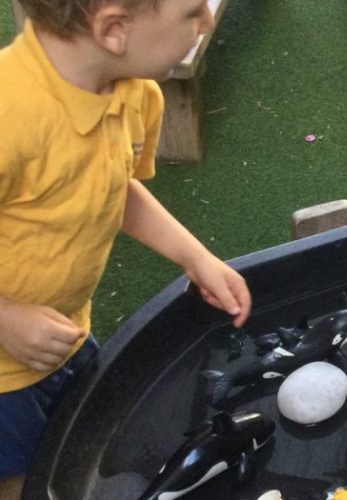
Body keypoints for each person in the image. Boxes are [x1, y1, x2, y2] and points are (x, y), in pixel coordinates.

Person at [0, 0, 252, 496]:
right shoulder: (10, 114)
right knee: (24, 482)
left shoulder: (136, 95)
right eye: (193, 13)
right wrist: (5, 317)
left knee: (75, 456)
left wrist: (195, 257)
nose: (207, 22)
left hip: (63, 334)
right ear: (115, 29)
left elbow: (116, 188)